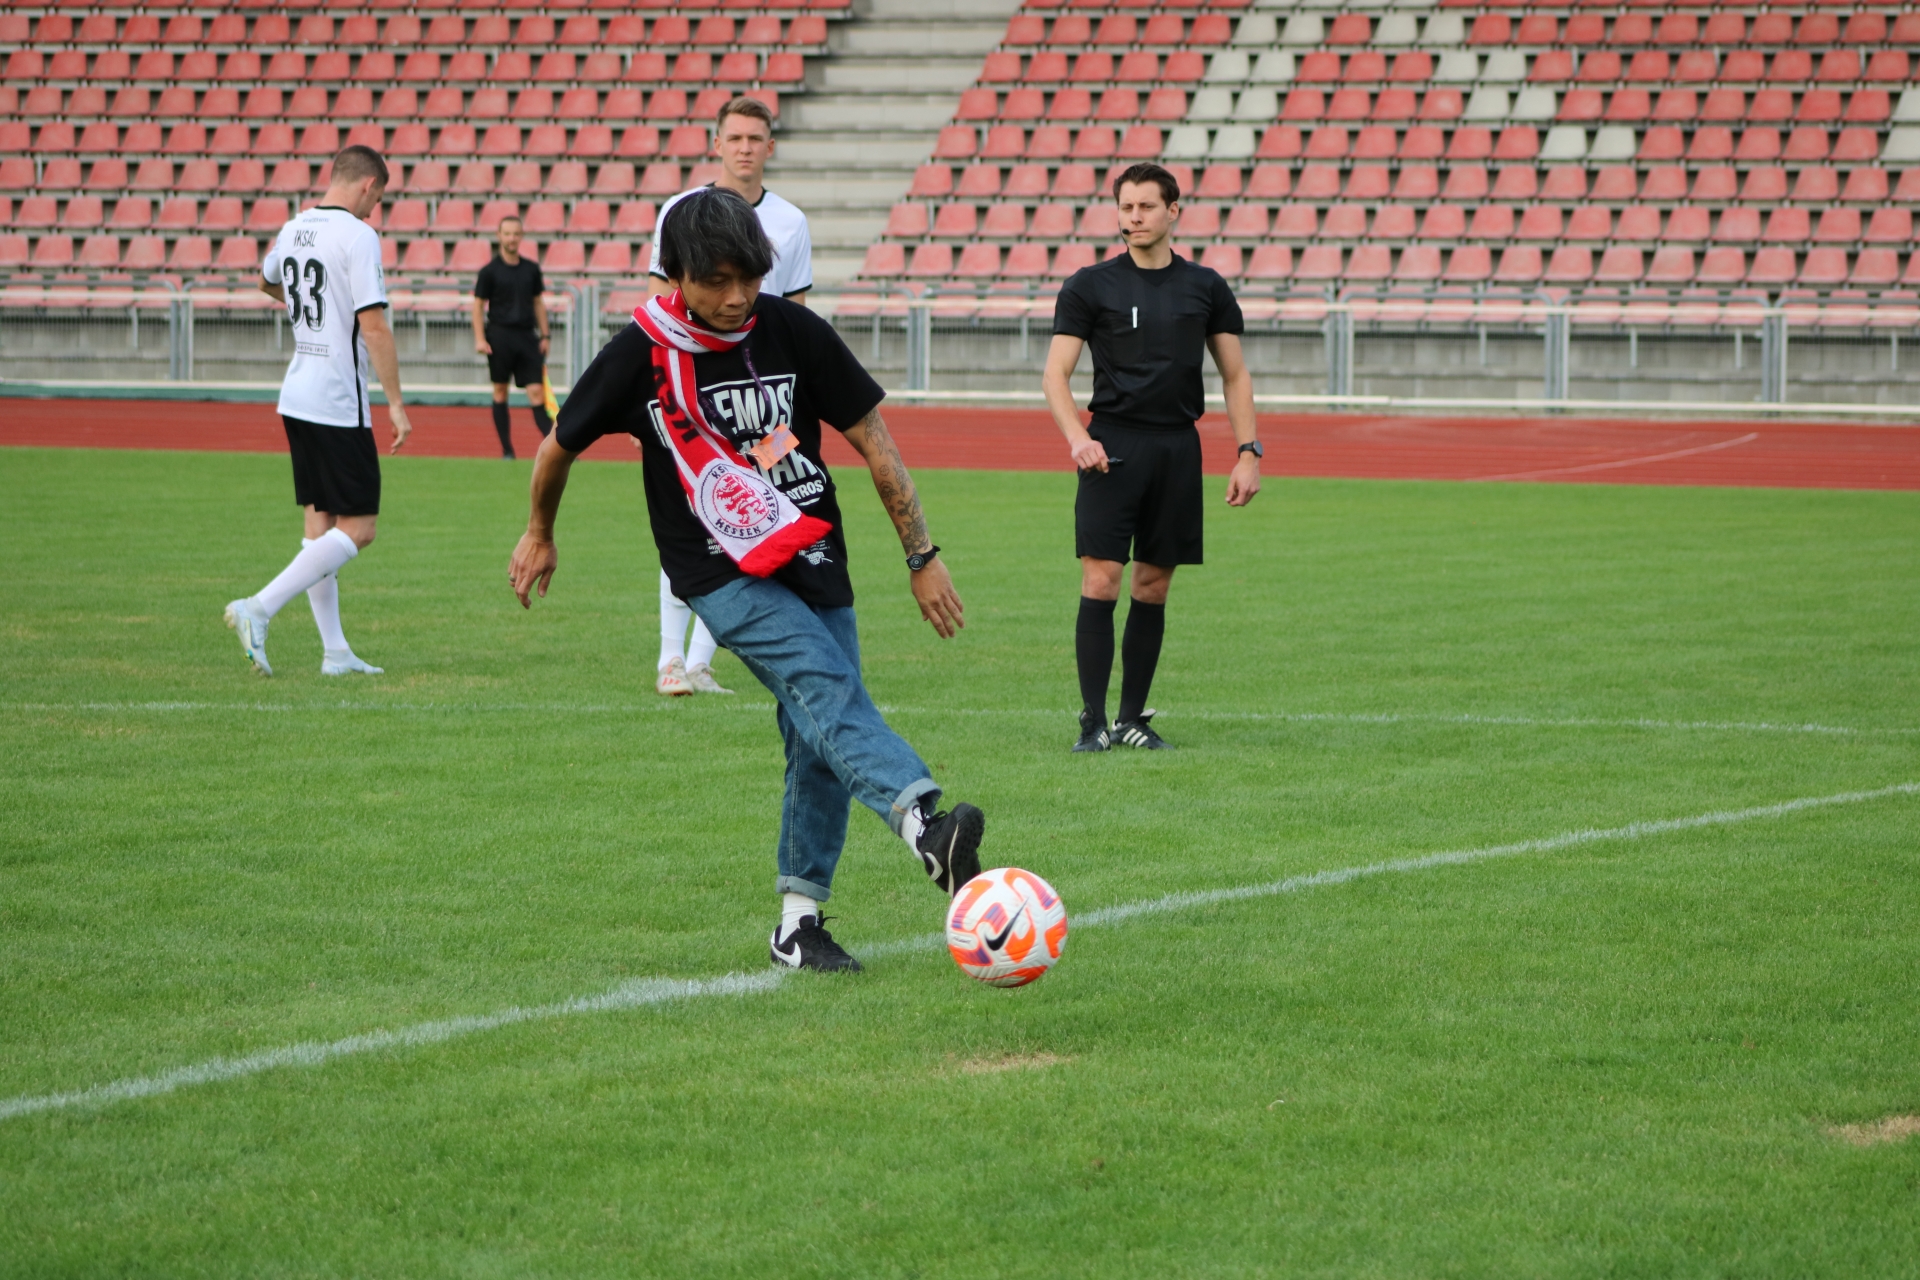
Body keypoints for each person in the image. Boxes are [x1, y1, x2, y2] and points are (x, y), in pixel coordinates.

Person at [509, 187, 982, 973]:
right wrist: (539, 531)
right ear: (675, 275)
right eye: (717, 281)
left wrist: (922, 556)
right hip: (717, 570)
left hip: (812, 550)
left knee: (817, 732)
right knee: (826, 685)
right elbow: (557, 446)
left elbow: (874, 440)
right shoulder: (640, 354)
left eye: (750, 278)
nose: (737, 298)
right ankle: (926, 825)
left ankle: (798, 926)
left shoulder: (792, 329)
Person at [1042, 161, 1261, 753]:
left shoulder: (1206, 286)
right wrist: (1078, 438)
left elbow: (1235, 375)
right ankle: (1092, 724)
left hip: (1177, 447)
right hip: (1111, 444)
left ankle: (1131, 719)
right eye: (1125, 207)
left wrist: (1248, 452)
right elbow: (1055, 375)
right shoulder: (1089, 285)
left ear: (1173, 212)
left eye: (1145, 206)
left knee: (1153, 585)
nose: (1133, 217)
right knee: (1101, 579)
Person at [645, 95, 813, 696]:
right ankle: (670, 660)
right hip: (690, 399)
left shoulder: (791, 222)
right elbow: (659, 305)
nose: (744, 148)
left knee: (750, 517)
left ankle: (700, 662)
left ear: (771, 147)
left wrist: (794, 405)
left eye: (754, 138)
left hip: (764, 406)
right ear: (717, 144)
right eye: (734, 138)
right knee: (689, 518)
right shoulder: (679, 210)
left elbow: (796, 318)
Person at [225, 145, 410, 677]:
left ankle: (335, 653)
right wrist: (397, 403)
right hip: (336, 400)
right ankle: (258, 608)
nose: (376, 208)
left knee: (319, 526)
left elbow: (266, 279)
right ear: (368, 184)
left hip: (298, 395)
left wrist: (317, 314)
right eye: (379, 197)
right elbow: (374, 327)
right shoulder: (358, 235)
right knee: (360, 527)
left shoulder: (295, 226)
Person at [470, 215, 551, 460]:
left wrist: (545, 334)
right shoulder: (489, 272)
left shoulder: (531, 269)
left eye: (516, 233)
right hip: (499, 336)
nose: (512, 238)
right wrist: (480, 339)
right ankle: (507, 451)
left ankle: (554, 449)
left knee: (537, 393)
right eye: (507, 234)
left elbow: (538, 302)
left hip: (527, 336)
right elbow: (477, 306)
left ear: (521, 236)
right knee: (500, 391)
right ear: (499, 236)